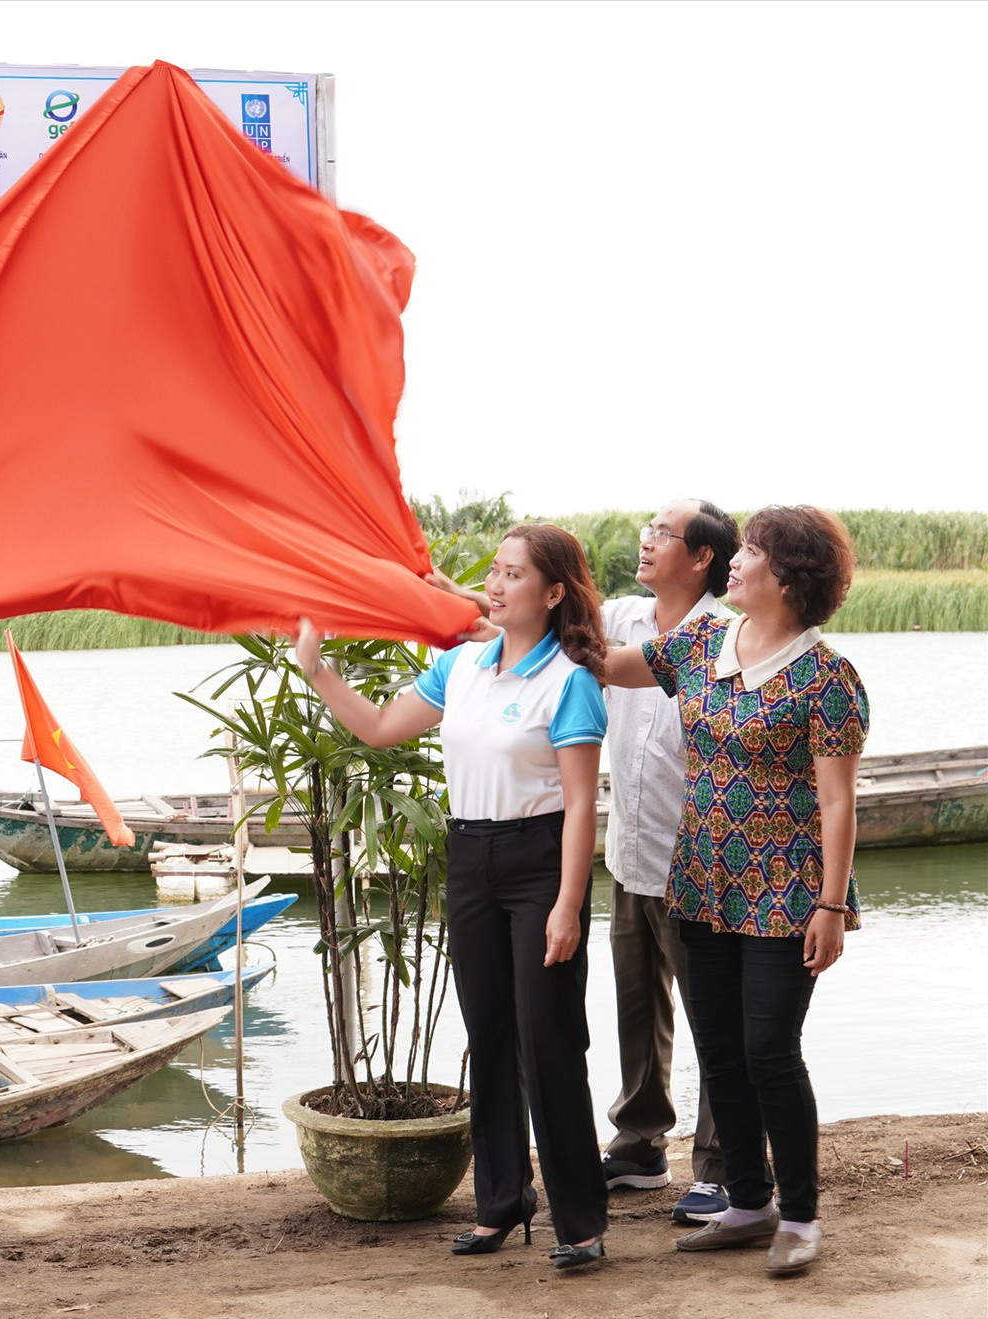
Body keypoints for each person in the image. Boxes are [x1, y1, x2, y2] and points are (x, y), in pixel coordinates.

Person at [294, 524, 611, 1270]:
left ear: (554, 591)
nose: (496, 585)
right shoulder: (462, 662)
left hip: (540, 864)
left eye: (514, 574)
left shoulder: (569, 678)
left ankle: (582, 1218)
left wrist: (567, 904)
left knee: (549, 1040)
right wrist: (317, 670)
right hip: (469, 857)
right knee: (490, 1035)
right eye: (493, 572)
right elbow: (376, 729)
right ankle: (503, 1202)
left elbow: (579, 806)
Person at [602, 505, 866, 1277]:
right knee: (718, 1048)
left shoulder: (828, 677)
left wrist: (831, 905)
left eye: (752, 551)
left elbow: (838, 803)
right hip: (704, 878)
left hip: (787, 890)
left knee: (768, 1050)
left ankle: (802, 1215)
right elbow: (620, 667)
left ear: (789, 577)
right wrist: (528, 632)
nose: (738, 562)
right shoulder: (703, 641)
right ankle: (748, 1202)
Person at [598, 500, 737, 1223]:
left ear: (704, 555)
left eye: (662, 534)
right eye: (646, 529)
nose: (646, 541)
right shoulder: (621, 616)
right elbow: (539, 624)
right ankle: (642, 1140)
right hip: (630, 849)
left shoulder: (726, 635)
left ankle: (719, 1164)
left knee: (714, 1016)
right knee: (637, 1006)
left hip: (702, 865)